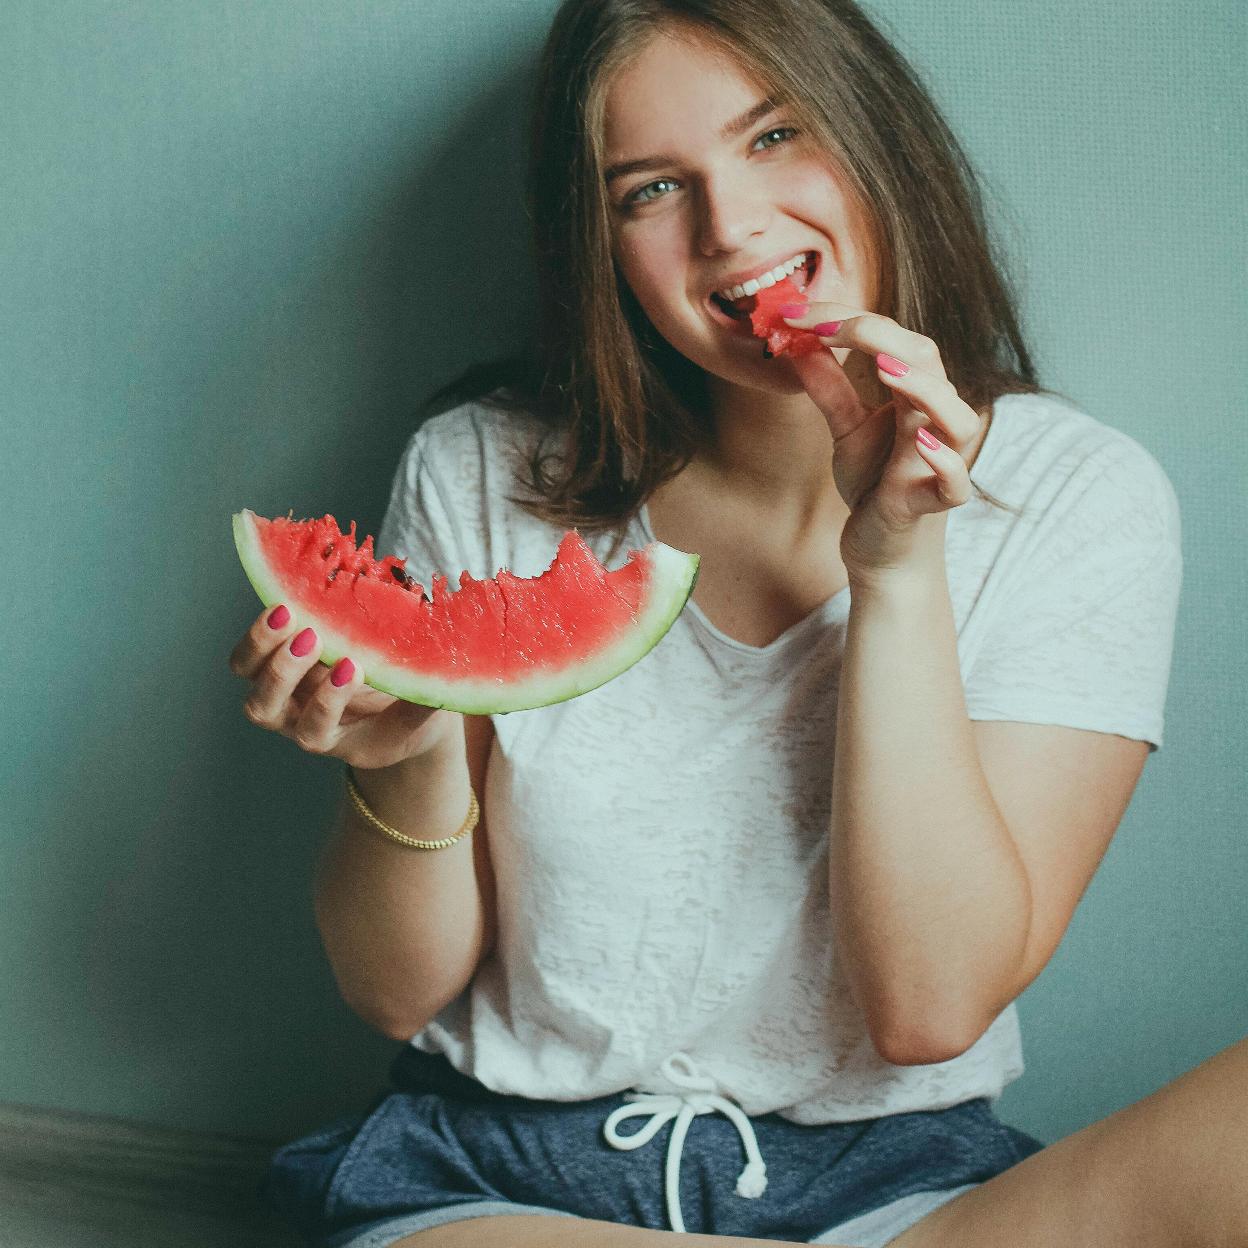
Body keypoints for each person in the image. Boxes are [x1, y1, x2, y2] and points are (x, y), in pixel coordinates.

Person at [229, 1, 1248, 1245]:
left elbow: (928, 1010)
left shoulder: (1081, 494)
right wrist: (414, 751)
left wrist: (900, 569)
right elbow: (394, 995)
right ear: (596, 244)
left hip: (894, 1194)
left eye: (775, 138)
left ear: (879, 144)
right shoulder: (479, 470)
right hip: (505, 1187)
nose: (732, 228)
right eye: (652, 189)